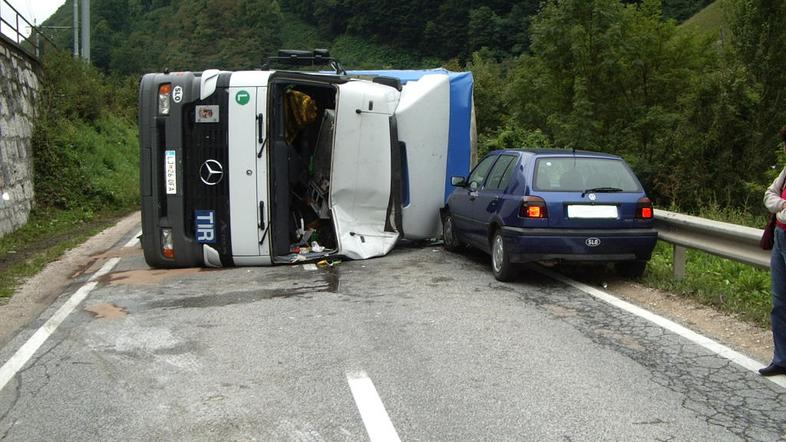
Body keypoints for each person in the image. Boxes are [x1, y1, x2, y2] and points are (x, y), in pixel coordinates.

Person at [760, 125, 786, 376]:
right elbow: (769, 195)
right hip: (780, 237)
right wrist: (782, 205)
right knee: (779, 302)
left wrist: (779, 207)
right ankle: (781, 359)